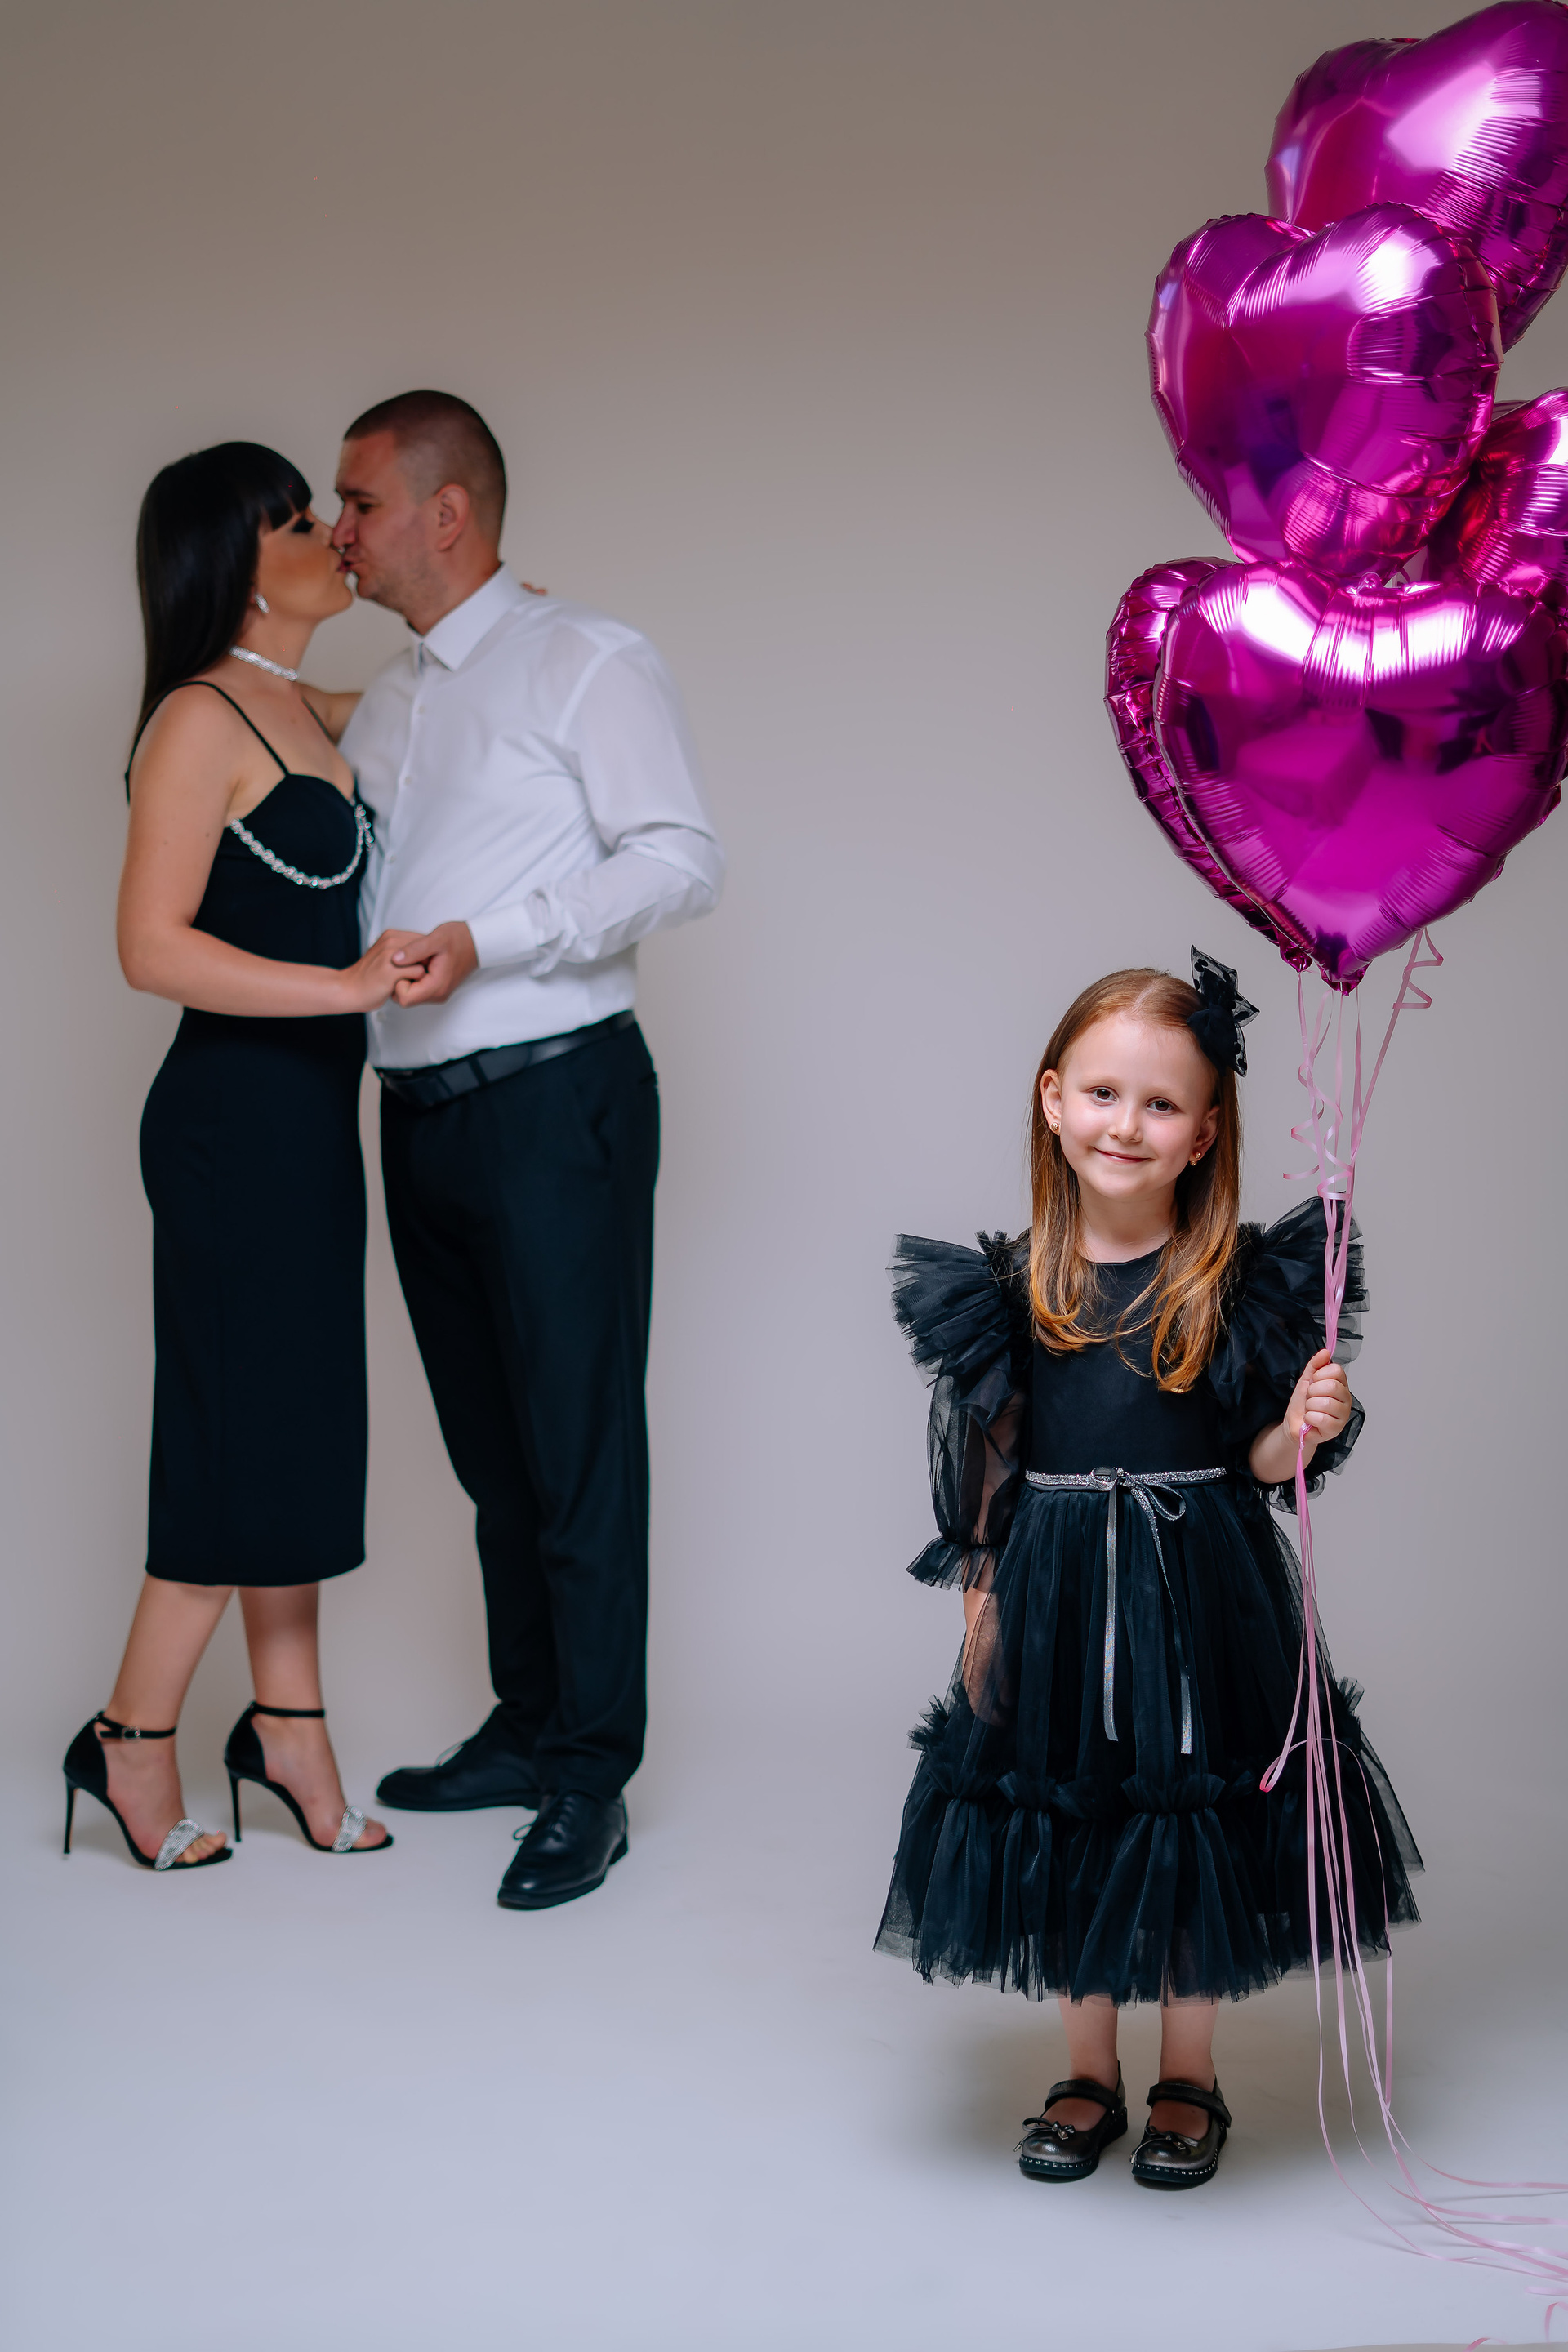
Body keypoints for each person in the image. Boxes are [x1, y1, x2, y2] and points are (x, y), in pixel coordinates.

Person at [875, 956, 1421, 2187]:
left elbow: (1261, 1462)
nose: (1127, 1125)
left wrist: (1306, 1427)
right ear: (1053, 1101)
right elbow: (989, 1481)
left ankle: (1187, 2074)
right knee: (1073, 1807)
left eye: (1162, 1104)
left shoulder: (1230, 1285)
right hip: (1059, 1587)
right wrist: (983, 1616)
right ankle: (1088, 2071)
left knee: (1186, 1814)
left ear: (1203, 1135)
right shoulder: (1013, 1288)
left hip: (1194, 1583)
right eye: (1105, 1094)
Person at [326, 390, 724, 1909]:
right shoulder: (389, 699)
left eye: (360, 502)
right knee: (492, 1453)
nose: (340, 530)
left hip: (558, 1102)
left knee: (576, 1448)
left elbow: (681, 858)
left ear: (448, 512)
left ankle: (589, 1775)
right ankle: (529, 1722)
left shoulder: (588, 659)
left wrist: (488, 939)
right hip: (415, 1114)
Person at [62, 442, 413, 1872]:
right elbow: (148, 948)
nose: (333, 535)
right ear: (235, 561)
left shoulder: (311, 707)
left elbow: (450, 699)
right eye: (299, 521)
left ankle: (289, 1730)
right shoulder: (199, 718)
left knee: (302, 1427)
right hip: (227, 1124)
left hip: (311, 1123)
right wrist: (345, 986)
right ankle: (129, 1736)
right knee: (233, 1433)